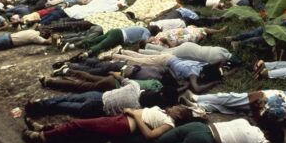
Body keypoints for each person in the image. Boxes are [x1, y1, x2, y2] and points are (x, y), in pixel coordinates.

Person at [179, 89, 286, 137]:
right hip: (276, 100)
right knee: (233, 105)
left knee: (231, 101)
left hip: (274, 104)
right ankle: (197, 105)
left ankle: (197, 99)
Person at [22, 105, 203, 143]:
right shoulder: (163, 112)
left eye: (177, 108)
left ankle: (42, 136)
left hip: (123, 124)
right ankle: (44, 129)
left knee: (76, 124)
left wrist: (133, 114)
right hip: (119, 119)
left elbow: (150, 135)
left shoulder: (169, 122)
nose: (174, 107)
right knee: (78, 128)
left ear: (179, 115)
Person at [24, 75, 178, 118]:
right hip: (98, 109)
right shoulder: (139, 110)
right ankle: (38, 109)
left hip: (99, 96)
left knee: (68, 98)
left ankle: (40, 103)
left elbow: (120, 77)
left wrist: (114, 74)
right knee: (66, 107)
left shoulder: (134, 86)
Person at [112, 50, 223, 93]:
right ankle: (113, 55)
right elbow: (196, 89)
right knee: (138, 61)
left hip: (169, 58)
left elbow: (218, 63)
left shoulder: (203, 65)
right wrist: (214, 83)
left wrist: (232, 70)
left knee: (141, 57)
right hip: (165, 62)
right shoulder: (193, 74)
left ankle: (122, 51)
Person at [154, 119, 284, 143]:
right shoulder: (259, 139)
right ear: (268, 135)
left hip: (197, 126)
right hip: (204, 141)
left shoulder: (245, 121)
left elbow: (252, 120)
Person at [38, 70, 166, 93]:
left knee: (89, 77)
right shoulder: (155, 92)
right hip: (115, 86)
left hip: (114, 80)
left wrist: (115, 75)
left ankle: (67, 71)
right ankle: (48, 82)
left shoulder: (154, 81)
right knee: (82, 86)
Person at [78, 26, 158, 58]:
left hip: (116, 31)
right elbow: (144, 40)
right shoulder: (147, 32)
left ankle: (76, 45)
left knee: (96, 40)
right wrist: (151, 39)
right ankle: (86, 54)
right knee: (102, 45)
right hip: (119, 36)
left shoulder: (142, 28)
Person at [139, 42, 234, 65]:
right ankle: (141, 52)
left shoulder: (223, 50)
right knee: (163, 55)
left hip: (190, 46)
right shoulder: (218, 59)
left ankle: (147, 46)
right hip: (188, 52)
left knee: (166, 50)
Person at [148, 25, 227, 48]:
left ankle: (208, 34)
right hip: (178, 39)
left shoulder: (151, 40)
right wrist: (166, 41)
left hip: (177, 34)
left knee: (193, 27)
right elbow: (173, 48)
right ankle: (219, 31)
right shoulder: (159, 48)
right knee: (202, 30)